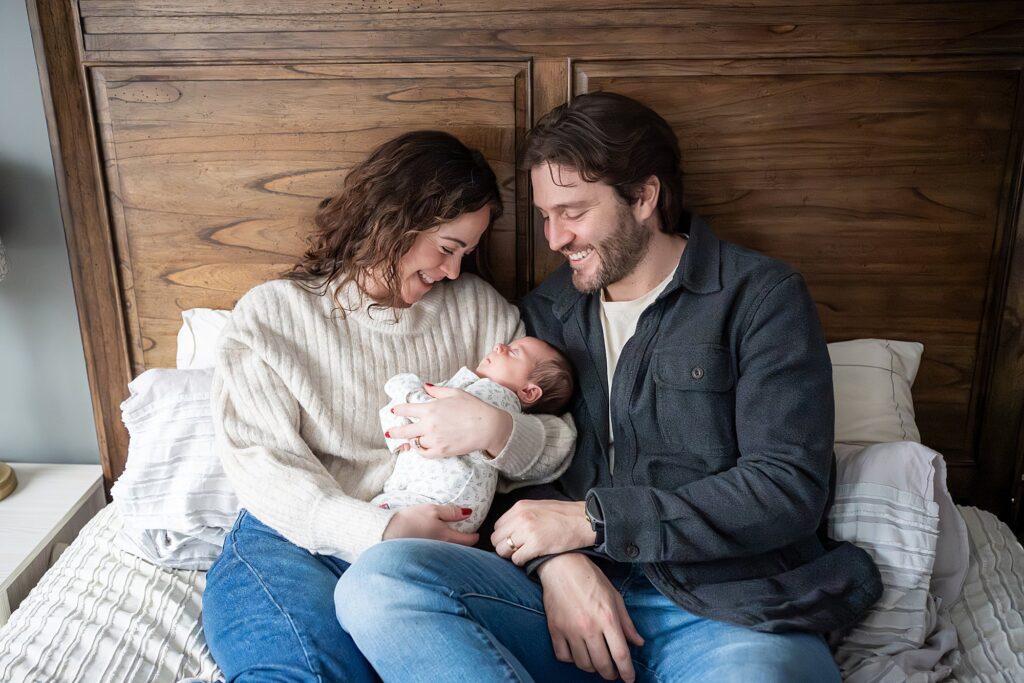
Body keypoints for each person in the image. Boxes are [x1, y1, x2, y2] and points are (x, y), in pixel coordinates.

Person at [335, 93, 883, 682]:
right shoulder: (545, 313)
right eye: (545, 215)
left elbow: (787, 487)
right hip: (563, 603)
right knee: (380, 582)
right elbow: (512, 468)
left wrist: (592, 523)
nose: (554, 238)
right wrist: (558, 561)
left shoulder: (757, 298)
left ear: (644, 196)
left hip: (728, 610)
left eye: (572, 211)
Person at [202, 130, 577, 682]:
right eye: (447, 248)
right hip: (295, 538)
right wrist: (379, 531)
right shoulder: (273, 315)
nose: (453, 271)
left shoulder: (480, 314)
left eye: (466, 254)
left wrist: (497, 429)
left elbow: (558, 441)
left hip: (434, 551)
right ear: (391, 220)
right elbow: (261, 464)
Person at [376, 336, 575, 532]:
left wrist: (406, 388)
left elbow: (429, 410)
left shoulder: (497, 395)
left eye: (513, 352)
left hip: (443, 499)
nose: (499, 346)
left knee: (377, 519)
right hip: (439, 501)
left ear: (528, 392)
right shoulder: (473, 389)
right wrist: (400, 430)